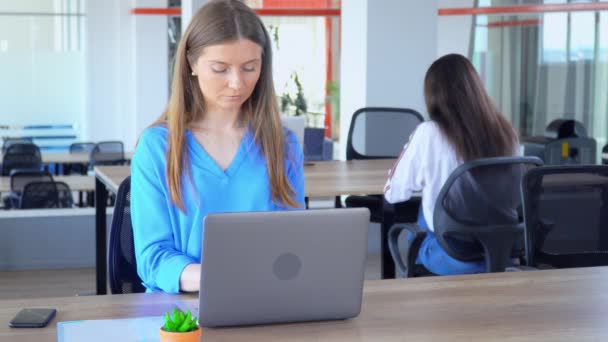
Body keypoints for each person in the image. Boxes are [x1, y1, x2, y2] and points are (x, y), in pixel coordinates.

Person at [131, 0, 305, 293]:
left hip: (266, 300)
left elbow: (293, 243)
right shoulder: (157, 147)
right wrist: (223, 277)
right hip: (181, 314)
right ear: (192, 64)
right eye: (220, 69)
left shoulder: (282, 144)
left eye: (250, 68)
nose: (237, 83)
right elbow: (152, 259)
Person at [384, 54, 519, 275]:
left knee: (426, 216)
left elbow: (394, 193)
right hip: (501, 254)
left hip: (452, 255)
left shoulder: (428, 133)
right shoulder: (506, 132)